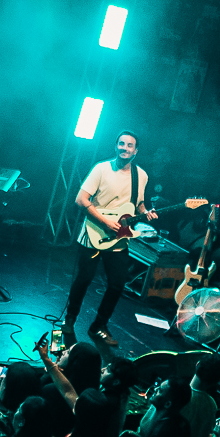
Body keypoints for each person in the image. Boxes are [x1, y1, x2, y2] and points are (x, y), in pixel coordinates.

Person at [65, 130, 155, 345]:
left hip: (119, 238)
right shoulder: (101, 168)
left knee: (117, 284)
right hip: (94, 233)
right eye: (121, 144)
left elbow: (138, 204)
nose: (125, 148)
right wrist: (105, 222)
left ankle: (99, 326)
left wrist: (146, 212)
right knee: (84, 279)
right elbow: (81, 199)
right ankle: (69, 320)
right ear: (115, 146)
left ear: (136, 151)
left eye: (130, 145)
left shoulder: (141, 175)